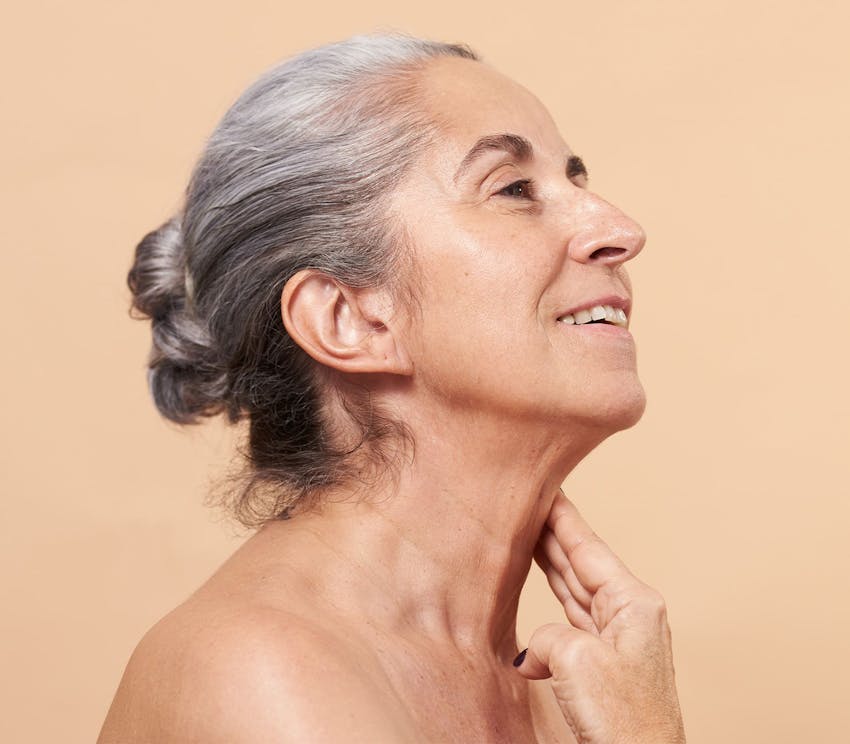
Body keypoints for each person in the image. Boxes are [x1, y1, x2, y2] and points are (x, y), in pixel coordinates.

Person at [98, 33, 686, 744]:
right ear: (348, 319)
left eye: (577, 181)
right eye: (513, 189)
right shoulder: (263, 675)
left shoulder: (567, 695)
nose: (619, 230)